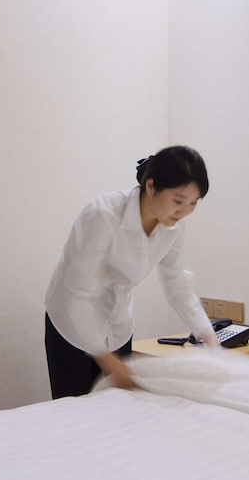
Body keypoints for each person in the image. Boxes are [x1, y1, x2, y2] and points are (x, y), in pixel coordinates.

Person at [44, 145, 218, 399]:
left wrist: (207, 334)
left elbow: (176, 282)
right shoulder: (103, 215)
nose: (184, 211)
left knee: (119, 411)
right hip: (72, 326)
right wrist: (106, 360)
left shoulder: (174, 227)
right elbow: (78, 294)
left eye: (193, 203)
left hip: (117, 326)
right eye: (178, 201)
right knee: (73, 413)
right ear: (151, 186)